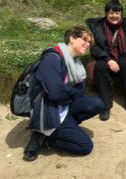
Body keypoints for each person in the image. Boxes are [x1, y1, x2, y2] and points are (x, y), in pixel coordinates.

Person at [23, 26, 105, 161]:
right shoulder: (52, 58)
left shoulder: (75, 63)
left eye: (90, 42)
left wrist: (67, 91)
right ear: (71, 38)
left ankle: (64, 128)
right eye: (84, 39)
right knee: (85, 146)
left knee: (97, 103)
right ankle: (42, 138)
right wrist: (71, 92)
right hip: (49, 109)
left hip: (63, 105)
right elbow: (56, 93)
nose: (88, 44)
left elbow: (79, 91)